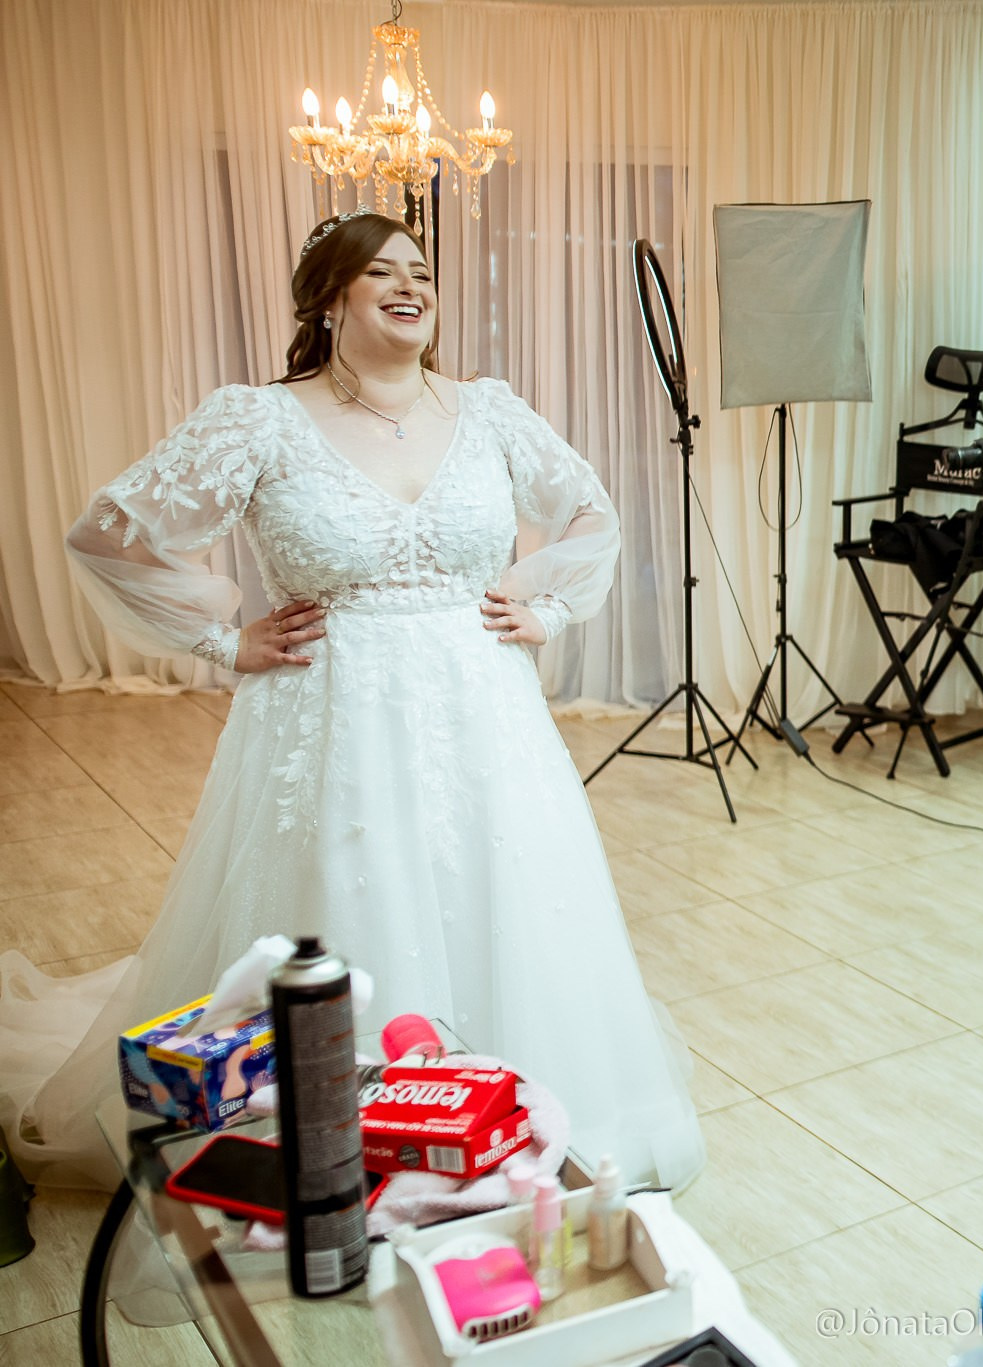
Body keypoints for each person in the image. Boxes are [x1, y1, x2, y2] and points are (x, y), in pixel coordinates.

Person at [0, 208, 705, 1190]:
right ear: (330, 299)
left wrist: (541, 603)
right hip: (331, 712)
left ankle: (509, 1123)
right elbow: (110, 534)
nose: (411, 285)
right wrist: (222, 635)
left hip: (483, 711)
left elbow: (588, 510)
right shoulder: (258, 417)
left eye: (421, 271)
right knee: (353, 910)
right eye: (381, 272)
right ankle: (358, 1148)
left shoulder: (489, 409)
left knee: (504, 902)